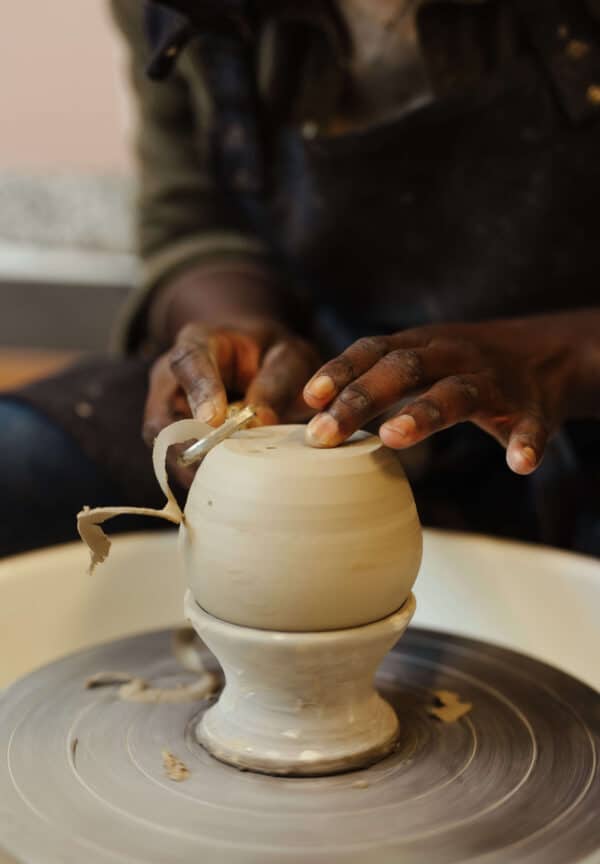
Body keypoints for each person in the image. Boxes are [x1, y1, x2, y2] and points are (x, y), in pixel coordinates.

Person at [2, 0, 600, 558]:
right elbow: (193, 215)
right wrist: (238, 331)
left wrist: (561, 360)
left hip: (572, 384)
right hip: (317, 376)